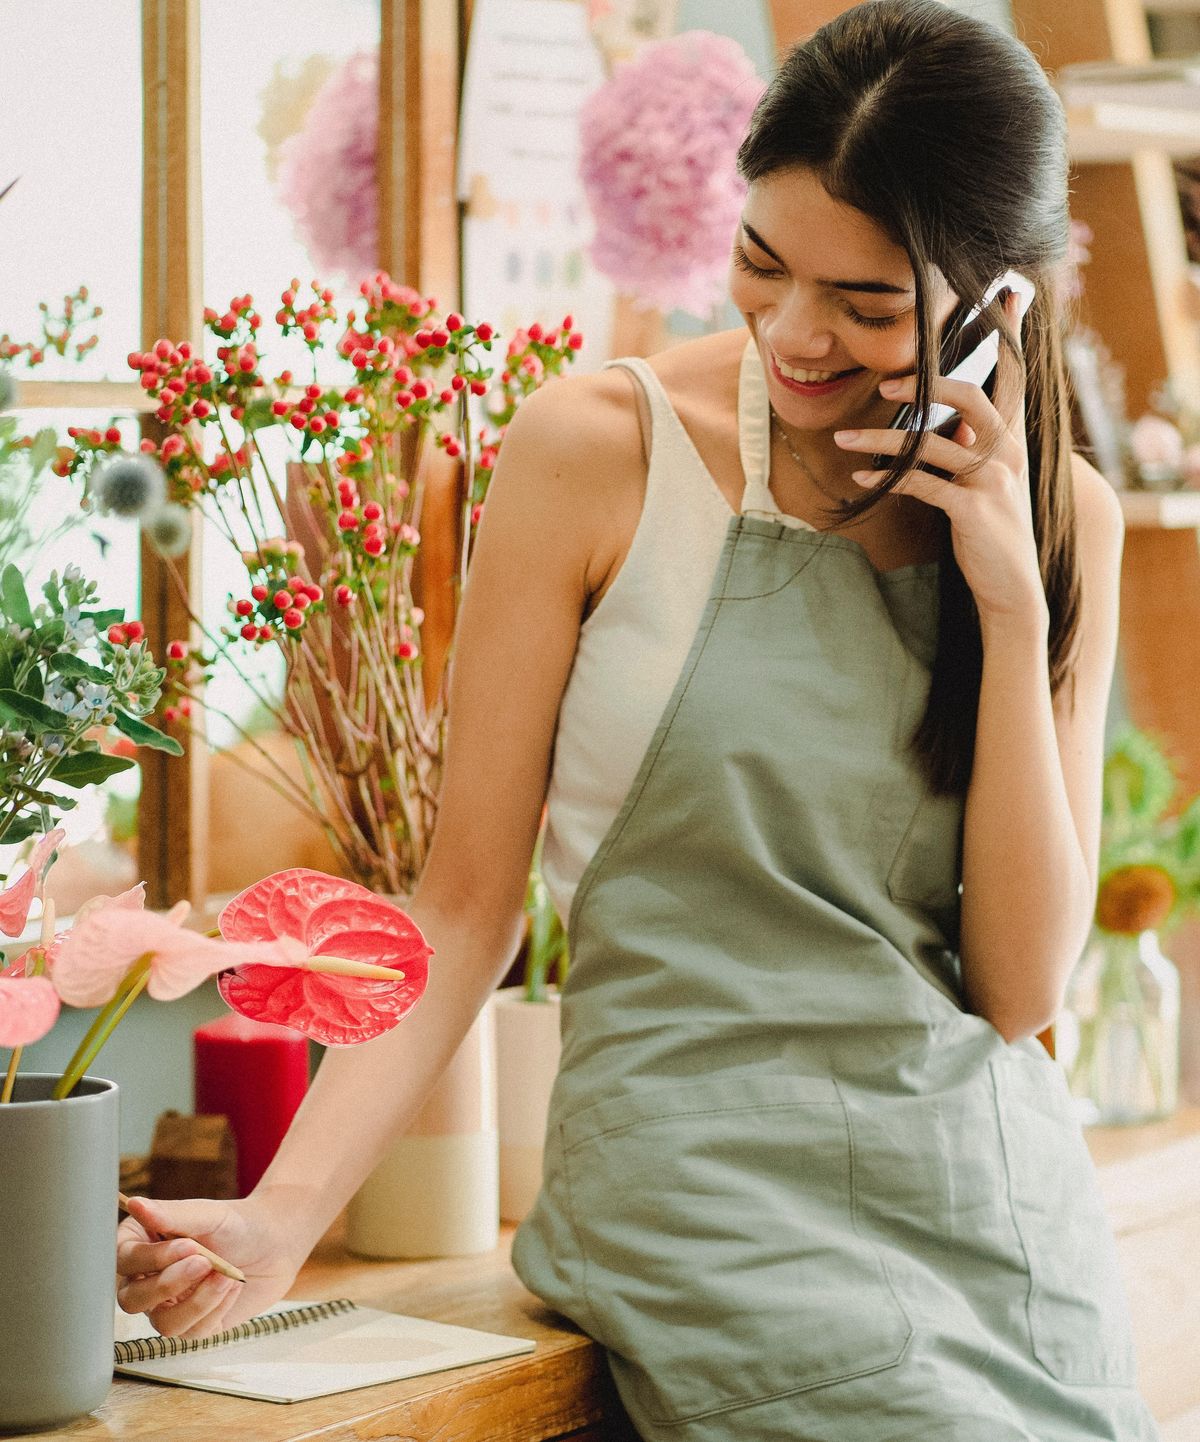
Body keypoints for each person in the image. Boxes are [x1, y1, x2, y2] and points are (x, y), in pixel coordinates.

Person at [116, 3, 1161, 1437]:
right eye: (762, 261)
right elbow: (462, 908)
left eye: (867, 306)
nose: (796, 335)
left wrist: (1010, 599)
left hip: (1000, 1226)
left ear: (996, 308)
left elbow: (1025, 991)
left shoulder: (1060, 526)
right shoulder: (594, 451)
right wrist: (283, 1214)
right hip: (701, 1216)